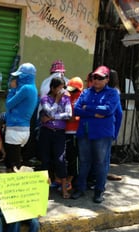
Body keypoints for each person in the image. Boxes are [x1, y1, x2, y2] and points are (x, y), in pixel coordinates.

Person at [71, 66, 121, 203]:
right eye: (94, 77)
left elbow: (109, 110)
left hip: (102, 134)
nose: (96, 80)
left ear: (107, 79)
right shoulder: (86, 92)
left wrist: (87, 108)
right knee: (83, 162)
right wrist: (95, 113)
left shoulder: (112, 93)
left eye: (100, 78)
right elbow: (76, 109)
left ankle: (99, 190)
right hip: (84, 132)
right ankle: (80, 188)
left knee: (100, 163)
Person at [38, 77, 72, 198]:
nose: (61, 90)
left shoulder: (66, 99)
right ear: (52, 88)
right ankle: (44, 189)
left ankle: (64, 189)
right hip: (46, 132)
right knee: (45, 160)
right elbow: (49, 112)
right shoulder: (44, 99)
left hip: (59, 133)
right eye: (59, 88)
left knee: (60, 160)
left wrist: (52, 118)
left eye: (63, 87)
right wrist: (57, 101)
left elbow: (68, 114)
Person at [4, 63, 38, 172]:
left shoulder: (25, 89)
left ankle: (13, 188)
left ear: (25, 76)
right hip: (24, 130)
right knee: (16, 163)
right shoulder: (33, 88)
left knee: (13, 165)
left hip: (15, 130)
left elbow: (9, 104)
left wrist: (12, 89)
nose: (17, 78)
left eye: (19, 76)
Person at [63, 77, 84, 190]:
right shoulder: (67, 97)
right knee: (67, 157)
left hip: (76, 132)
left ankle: (72, 181)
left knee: (74, 159)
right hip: (65, 130)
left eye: (73, 89)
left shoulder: (82, 98)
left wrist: (71, 118)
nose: (71, 91)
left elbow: (79, 116)